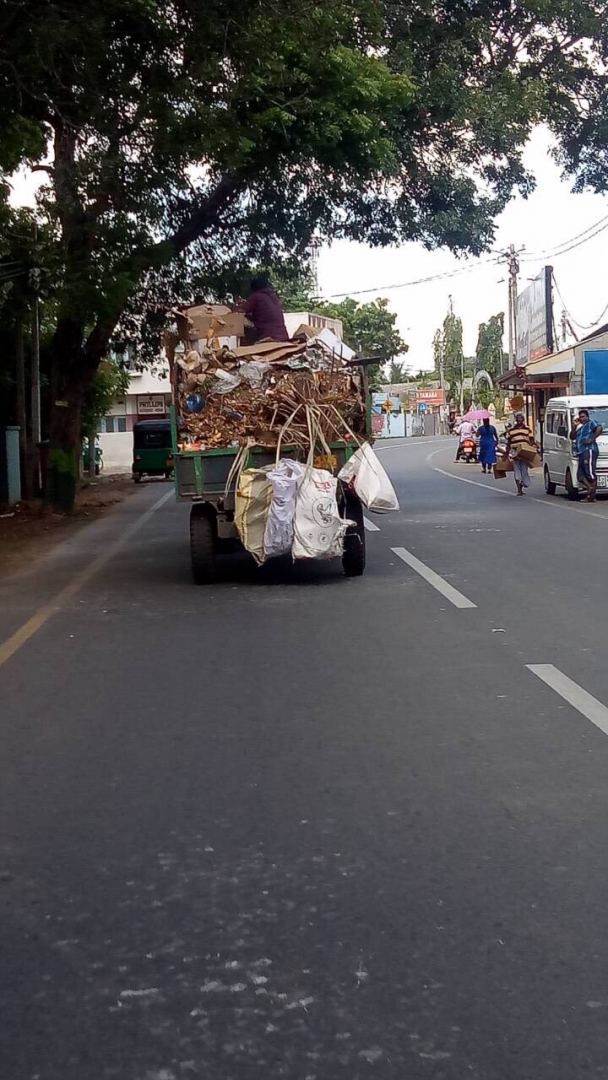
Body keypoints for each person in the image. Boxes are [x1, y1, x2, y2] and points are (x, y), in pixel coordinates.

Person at [570, 408, 603, 502]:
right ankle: (590, 489)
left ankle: (591, 496)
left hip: (589, 450)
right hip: (580, 452)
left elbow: (599, 428)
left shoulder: (591, 423)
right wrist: (574, 426)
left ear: (587, 417)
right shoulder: (580, 428)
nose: (582, 418)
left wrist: (591, 439)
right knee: (580, 475)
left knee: (590, 472)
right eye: (580, 417)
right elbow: (572, 437)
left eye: (583, 416)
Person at [244, 274, 290, 342]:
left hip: (268, 338)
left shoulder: (256, 297)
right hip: (284, 338)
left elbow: (241, 311)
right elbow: (264, 316)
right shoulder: (274, 298)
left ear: (253, 289)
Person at [506, 412, 536, 495]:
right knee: (517, 469)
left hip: (524, 451)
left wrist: (530, 448)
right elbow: (509, 442)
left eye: (520, 420)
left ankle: (523, 484)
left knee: (524, 469)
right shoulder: (511, 431)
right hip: (515, 451)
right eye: (518, 420)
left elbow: (531, 439)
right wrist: (507, 452)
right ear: (516, 420)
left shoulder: (527, 429)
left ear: (523, 420)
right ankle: (519, 489)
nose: (519, 421)